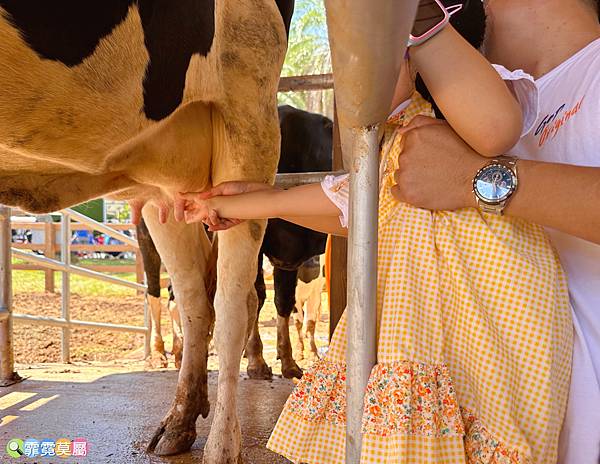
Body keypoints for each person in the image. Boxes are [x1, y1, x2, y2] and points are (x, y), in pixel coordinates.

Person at [181, 2, 572, 462]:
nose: (349, 76)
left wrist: (416, 22)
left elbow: (496, 127)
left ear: (412, 56)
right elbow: (353, 205)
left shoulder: (447, 130)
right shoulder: (397, 143)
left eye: (364, 54)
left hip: (490, 342)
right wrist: (240, 202)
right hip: (427, 338)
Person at [388, 1, 600, 462]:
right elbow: (394, 206)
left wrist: (477, 179)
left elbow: (459, 181)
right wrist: (248, 202)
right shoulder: (491, 110)